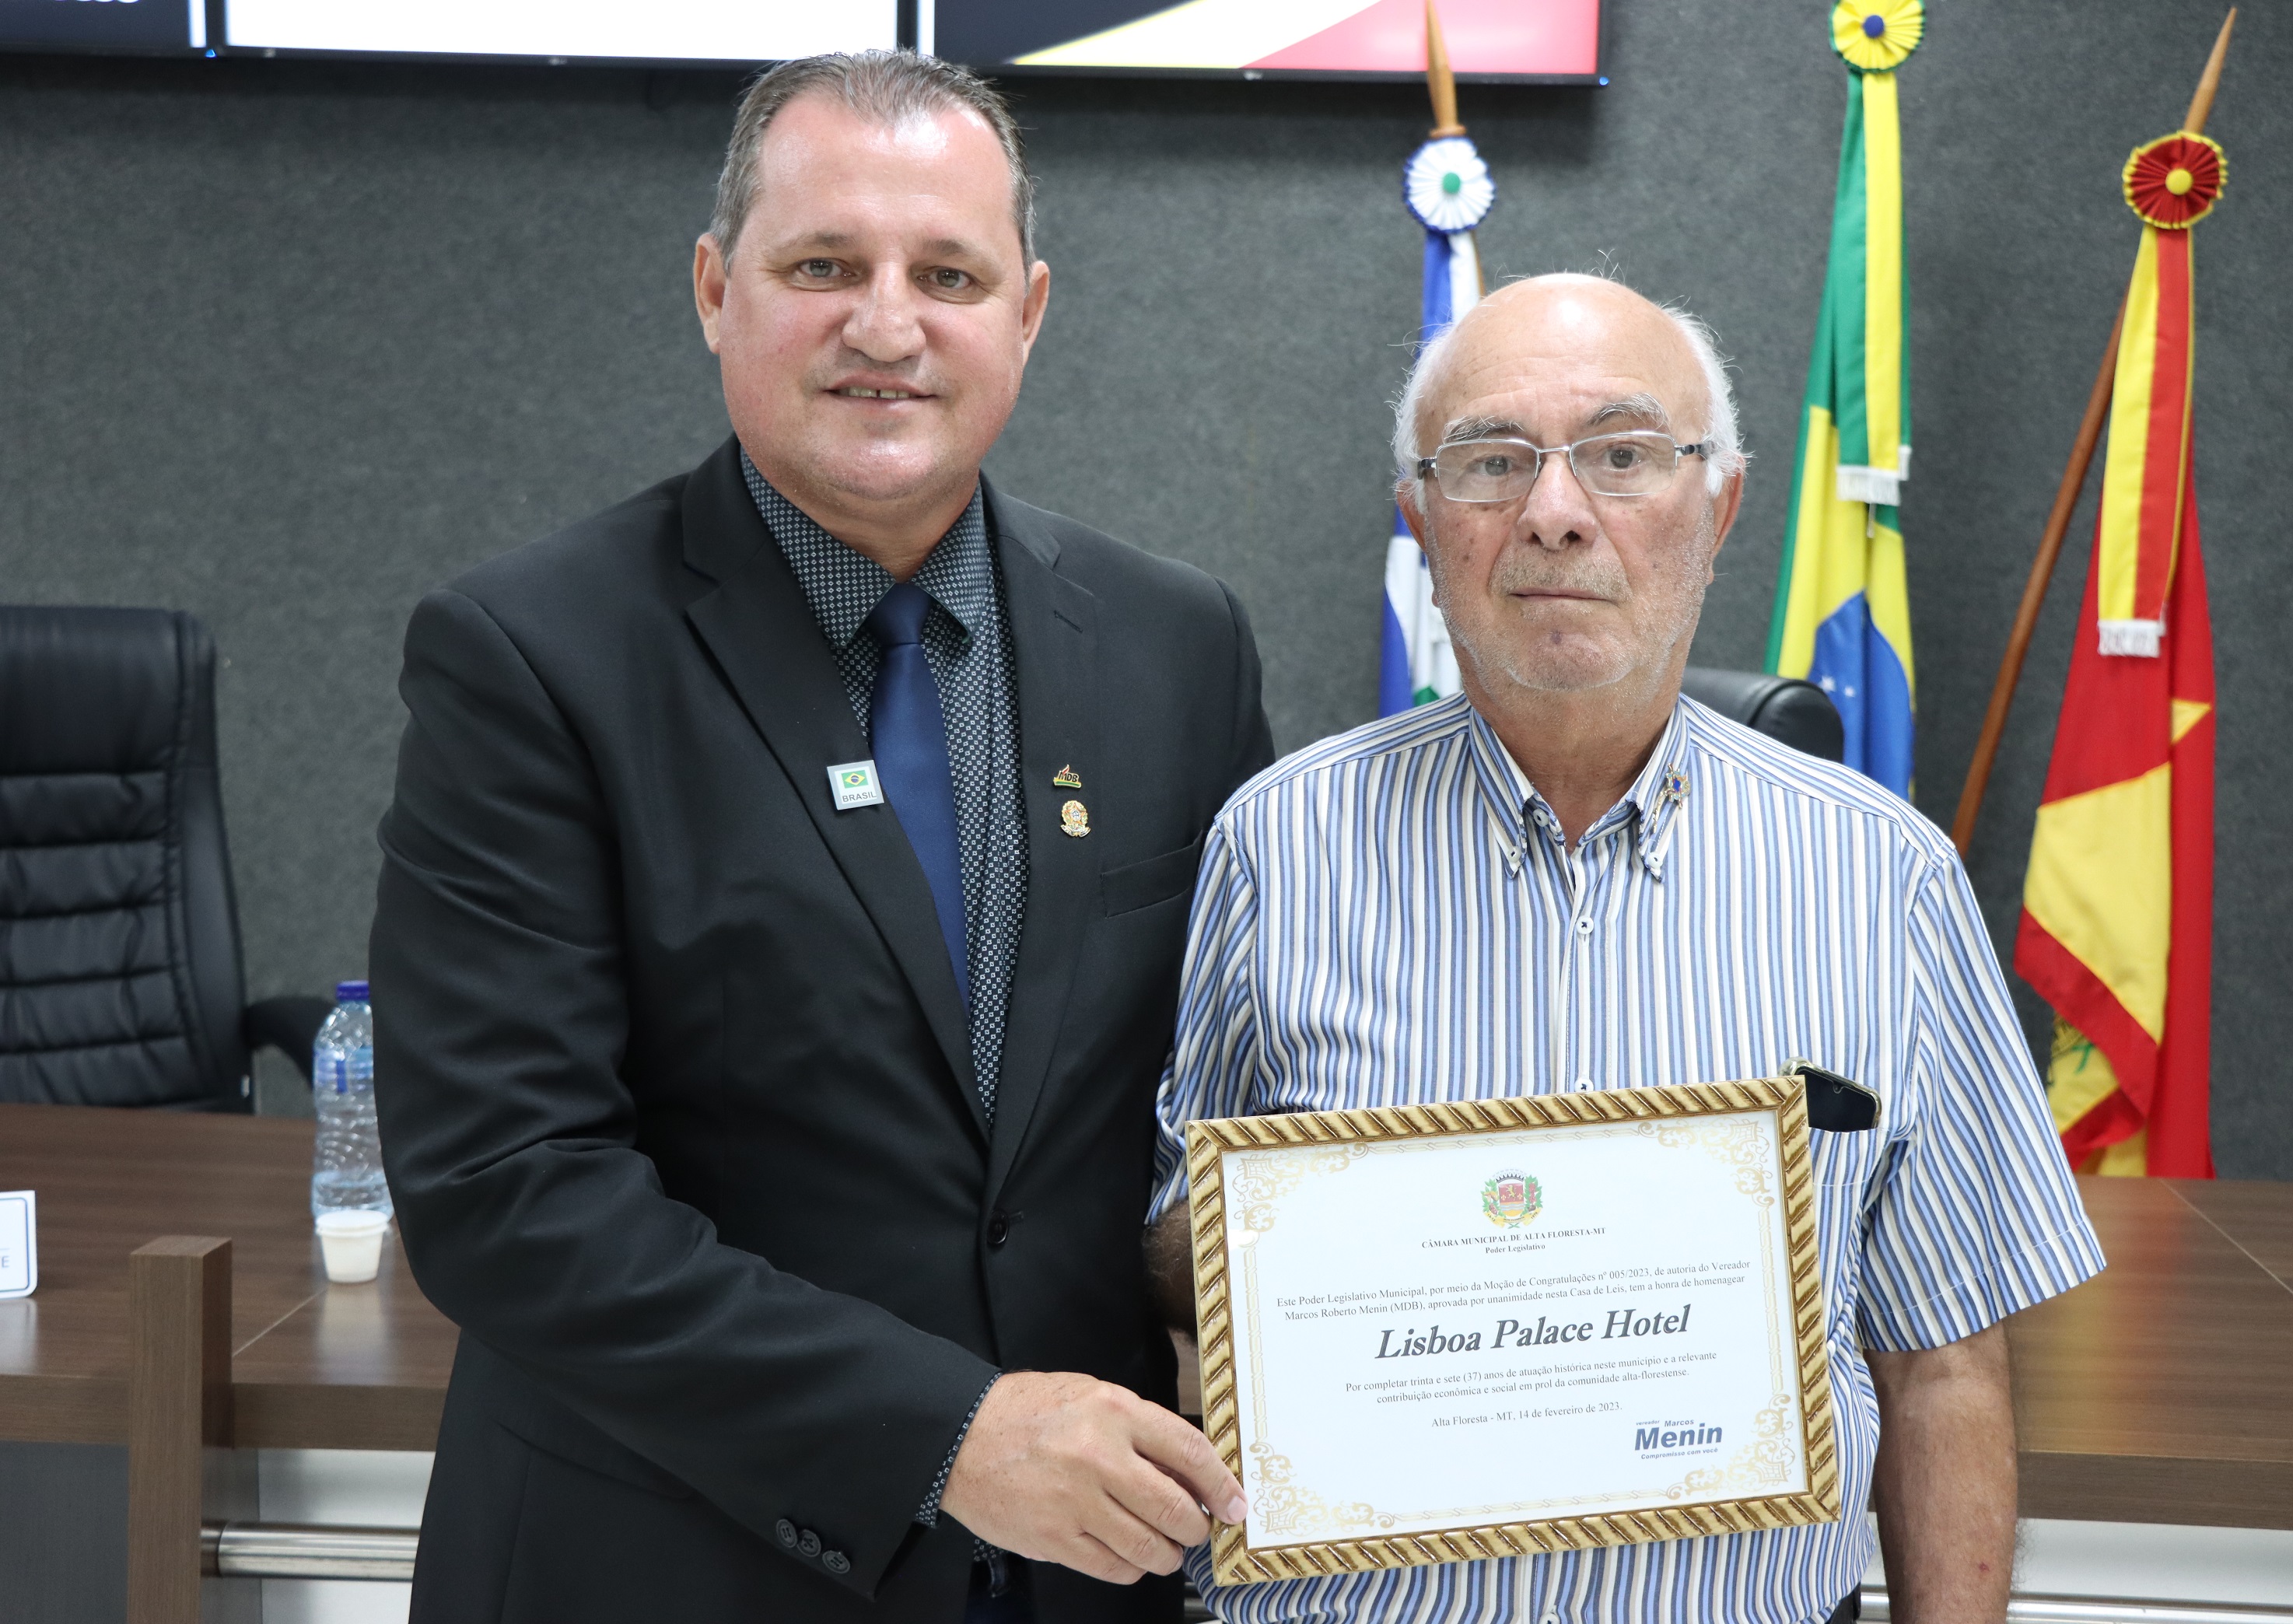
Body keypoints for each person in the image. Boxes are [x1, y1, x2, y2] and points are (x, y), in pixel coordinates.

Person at [373, 51, 1262, 1624]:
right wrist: (946, 1435)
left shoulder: (1177, 644)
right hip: (673, 1564)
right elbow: (509, 1192)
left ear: (1030, 313)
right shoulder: (533, 655)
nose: (888, 325)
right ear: (717, 290)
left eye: (949, 273)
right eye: (823, 267)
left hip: (1084, 1580)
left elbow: (1222, 1109)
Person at [1146, 275, 2105, 1624]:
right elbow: (1179, 1269)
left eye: (1623, 454)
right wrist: (1285, 1259)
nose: (1553, 510)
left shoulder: (1887, 880)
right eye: (1490, 462)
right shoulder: (1277, 844)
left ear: (1718, 509)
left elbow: (1943, 1363)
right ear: (1422, 521)